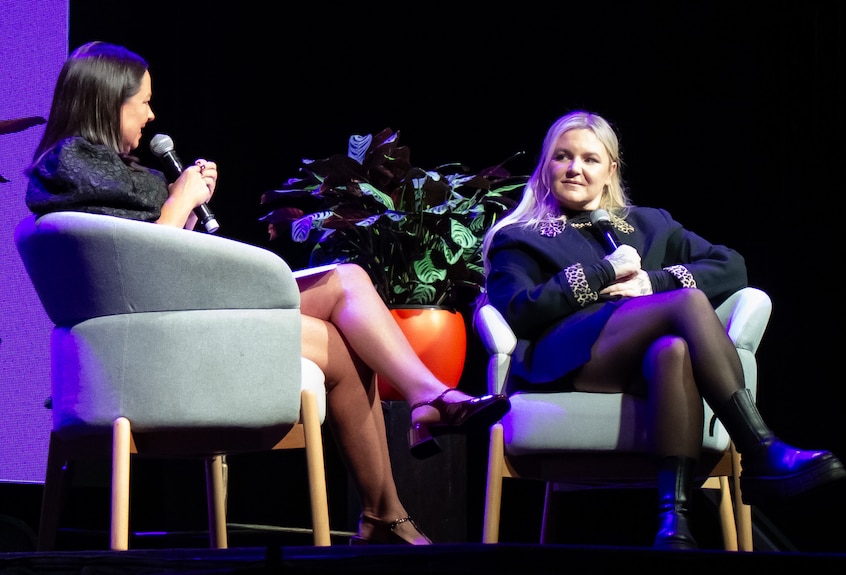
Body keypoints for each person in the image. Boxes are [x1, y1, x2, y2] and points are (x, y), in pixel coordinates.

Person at [25, 41, 511, 546]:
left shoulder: (109, 171)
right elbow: (142, 278)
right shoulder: (70, 163)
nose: (151, 114)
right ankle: (399, 476)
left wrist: (183, 213)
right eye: (142, 101)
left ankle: (405, 461)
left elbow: (149, 258)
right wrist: (179, 202)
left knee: (346, 287)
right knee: (339, 313)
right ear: (108, 100)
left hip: (180, 318)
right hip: (155, 338)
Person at [480, 109, 846, 550]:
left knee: (672, 349)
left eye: (589, 159)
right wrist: (602, 273)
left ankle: (675, 522)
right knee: (687, 302)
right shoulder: (521, 235)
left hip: (642, 363)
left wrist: (652, 283)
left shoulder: (650, 223)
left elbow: (731, 266)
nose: (575, 168)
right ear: (546, 165)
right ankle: (760, 448)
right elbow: (518, 309)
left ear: (610, 169)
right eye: (562, 157)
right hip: (569, 358)